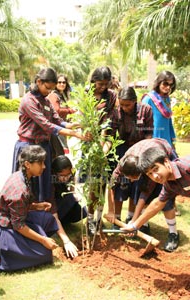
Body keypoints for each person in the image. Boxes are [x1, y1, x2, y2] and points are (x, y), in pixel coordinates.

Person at [12, 67, 91, 203]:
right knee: (27, 185)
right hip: (28, 147)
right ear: (38, 82)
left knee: (43, 185)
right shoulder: (29, 100)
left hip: (43, 147)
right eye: (47, 88)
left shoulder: (46, 101)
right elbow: (46, 125)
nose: (49, 92)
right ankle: (24, 217)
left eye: (51, 89)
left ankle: (43, 215)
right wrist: (74, 134)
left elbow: (57, 120)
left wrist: (73, 125)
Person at [0, 145, 59, 271]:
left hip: (16, 219)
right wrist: (43, 240)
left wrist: (37, 206)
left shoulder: (20, 175)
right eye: (40, 163)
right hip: (5, 229)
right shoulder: (19, 190)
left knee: (48, 218)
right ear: (28, 164)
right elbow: (18, 226)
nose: (44, 166)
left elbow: (17, 208)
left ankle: (33, 241)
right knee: (44, 253)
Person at [107, 138, 179, 251]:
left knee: (166, 197)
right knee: (138, 189)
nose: (130, 181)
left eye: (133, 178)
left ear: (141, 172)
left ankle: (173, 234)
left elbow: (144, 194)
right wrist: (111, 211)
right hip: (144, 152)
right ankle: (144, 225)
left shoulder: (149, 168)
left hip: (163, 156)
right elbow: (111, 184)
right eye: (128, 178)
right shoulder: (123, 164)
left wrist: (134, 221)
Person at [108, 86, 153, 232]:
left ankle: (132, 217)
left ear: (135, 101)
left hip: (140, 150)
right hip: (121, 150)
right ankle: (117, 218)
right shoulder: (116, 112)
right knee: (121, 184)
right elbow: (111, 135)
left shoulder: (146, 110)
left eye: (127, 105)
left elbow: (148, 134)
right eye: (121, 104)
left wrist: (142, 154)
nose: (124, 108)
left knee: (137, 184)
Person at [121, 147, 185, 251]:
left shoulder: (186, 167)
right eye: (150, 174)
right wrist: (135, 225)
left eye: (156, 169)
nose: (155, 176)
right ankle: (144, 226)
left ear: (166, 162)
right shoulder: (168, 185)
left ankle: (173, 233)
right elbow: (157, 204)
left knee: (168, 205)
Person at [84, 66, 117, 235]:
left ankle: (98, 219)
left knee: (103, 183)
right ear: (93, 80)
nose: (103, 87)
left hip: (106, 142)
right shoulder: (87, 93)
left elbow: (109, 122)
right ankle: (89, 221)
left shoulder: (111, 96)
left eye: (106, 84)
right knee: (92, 185)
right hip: (89, 142)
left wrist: (104, 147)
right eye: (100, 83)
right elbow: (83, 118)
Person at [141, 70, 180, 216]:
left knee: (172, 173)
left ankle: (171, 206)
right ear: (158, 82)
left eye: (170, 85)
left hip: (167, 141)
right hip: (153, 141)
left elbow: (168, 122)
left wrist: (173, 141)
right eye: (165, 84)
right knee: (152, 175)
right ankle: (149, 205)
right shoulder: (149, 98)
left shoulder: (167, 100)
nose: (167, 87)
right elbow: (142, 120)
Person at [49, 155, 87, 258]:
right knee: (70, 199)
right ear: (54, 172)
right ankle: (55, 227)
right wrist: (66, 241)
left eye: (68, 175)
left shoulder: (71, 173)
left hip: (61, 203)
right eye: (62, 175)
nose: (65, 178)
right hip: (51, 209)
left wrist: (73, 191)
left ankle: (63, 223)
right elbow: (53, 213)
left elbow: (73, 176)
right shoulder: (50, 182)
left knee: (83, 212)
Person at [48, 74, 77, 157]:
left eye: (64, 82)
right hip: (57, 128)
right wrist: (69, 111)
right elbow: (56, 110)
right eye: (59, 82)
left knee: (62, 152)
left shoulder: (63, 95)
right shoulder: (54, 95)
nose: (62, 84)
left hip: (63, 126)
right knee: (59, 154)